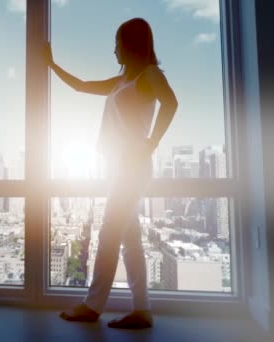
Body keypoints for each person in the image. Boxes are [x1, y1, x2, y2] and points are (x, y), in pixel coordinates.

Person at [45, 17, 178, 329]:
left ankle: (93, 305)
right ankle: (142, 310)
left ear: (130, 44)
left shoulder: (149, 75)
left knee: (108, 234)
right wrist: (50, 64)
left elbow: (171, 103)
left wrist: (152, 143)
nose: (113, 49)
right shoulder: (121, 82)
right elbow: (81, 86)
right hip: (118, 166)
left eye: (117, 42)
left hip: (132, 166)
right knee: (130, 239)